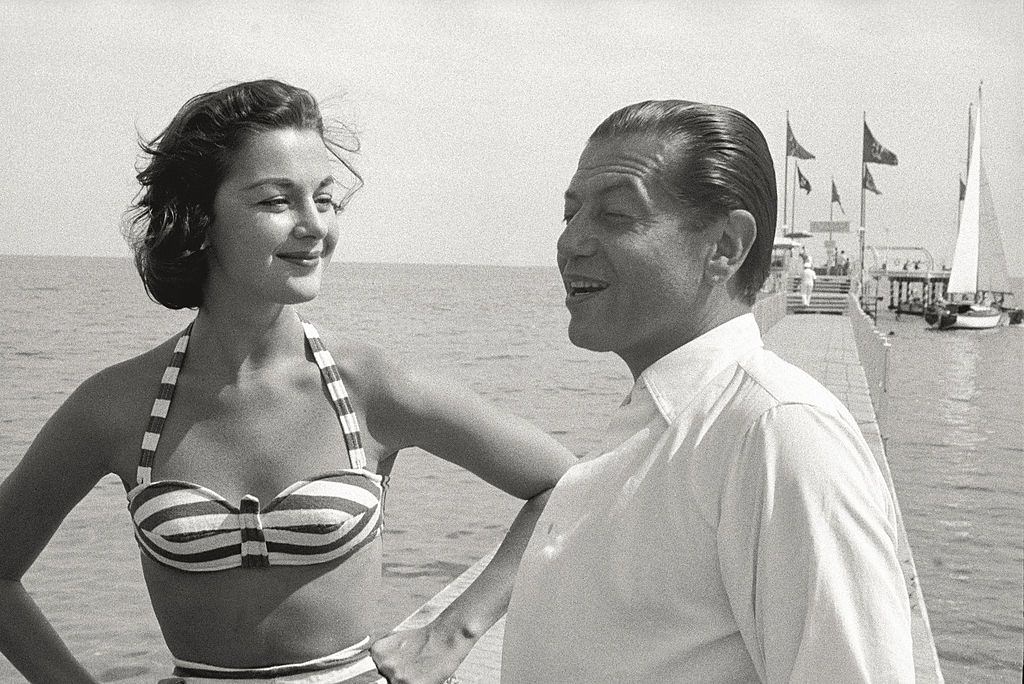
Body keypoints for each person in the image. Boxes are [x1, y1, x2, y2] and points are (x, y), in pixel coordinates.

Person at [0, 79, 573, 683]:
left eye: (323, 200)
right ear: (200, 217)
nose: (313, 226)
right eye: (276, 201)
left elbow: (565, 486)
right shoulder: (118, 405)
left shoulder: (369, 387)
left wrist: (450, 634)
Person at [501, 100, 915, 682]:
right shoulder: (662, 419)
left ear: (724, 246)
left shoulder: (779, 433)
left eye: (616, 214)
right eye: (570, 214)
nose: (571, 242)